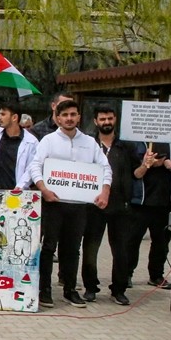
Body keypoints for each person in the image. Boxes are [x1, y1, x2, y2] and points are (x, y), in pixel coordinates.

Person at [28, 99, 112, 308]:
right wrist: (44, 190)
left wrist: (105, 191)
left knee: (73, 249)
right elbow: (35, 167)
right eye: (64, 115)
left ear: (78, 117)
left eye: (73, 114)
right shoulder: (48, 140)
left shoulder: (90, 143)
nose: (69, 118)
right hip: (53, 203)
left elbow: (105, 168)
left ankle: (70, 290)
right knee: (48, 247)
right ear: (57, 118)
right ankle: (44, 290)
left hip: (79, 205)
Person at [79, 104, 136, 305]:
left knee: (121, 250)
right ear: (95, 121)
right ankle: (90, 287)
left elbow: (136, 174)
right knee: (90, 248)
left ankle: (118, 289)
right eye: (102, 119)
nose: (106, 122)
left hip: (120, 206)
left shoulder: (126, 147)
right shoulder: (87, 145)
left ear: (115, 120)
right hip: (93, 206)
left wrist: (146, 165)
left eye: (110, 118)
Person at [128, 140, 171, 294]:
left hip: (165, 202)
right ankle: (126, 273)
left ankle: (156, 275)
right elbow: (130, 168)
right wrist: (147, 164)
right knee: (132, 240)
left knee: (161, 243)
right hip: (141, 202)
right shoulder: (137, 141)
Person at [0, 101, 39, 191]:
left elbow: (31, 169)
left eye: (3, 114)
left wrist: (21, 186)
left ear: (14, 117)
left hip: (16, 195)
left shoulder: (31, 142)